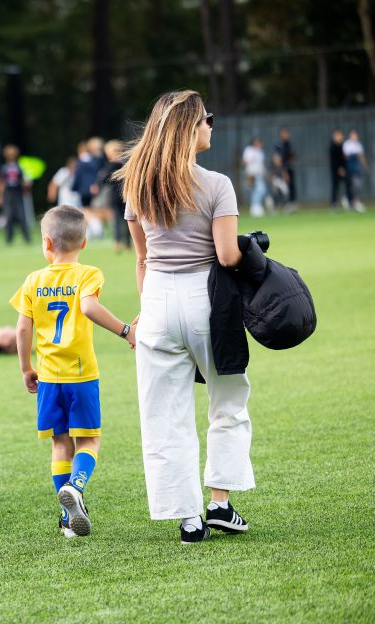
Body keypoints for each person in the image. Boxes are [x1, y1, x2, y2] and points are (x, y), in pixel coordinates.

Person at [116, 91, 254, 544]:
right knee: (228, 402)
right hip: (206, 300)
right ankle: (220, 504)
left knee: (164, 415)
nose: (211, 125)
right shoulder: (216, 184)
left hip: (156, 299)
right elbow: (229, 255)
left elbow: (142, 259)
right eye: (206, 119)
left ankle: (188, 517)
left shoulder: (136, 185)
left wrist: (146, 311)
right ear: (190, 128)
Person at [10, 206, 136, 538]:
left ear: (46, 243)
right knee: (90, 440)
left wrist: (26, 368)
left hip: (49, 378)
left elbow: (22, 330)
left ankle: (67, 521)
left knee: (59, 444)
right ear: (84, 243)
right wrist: (126, 331)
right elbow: (89, 307)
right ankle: (77, 488)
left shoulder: (33, 280)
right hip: (81, 375)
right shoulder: (88, 274)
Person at [93, 140, 129, 252]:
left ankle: (118, 243)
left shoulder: (111, 165)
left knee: (118, 220)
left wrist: (97, 185)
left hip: (116, 195)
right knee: (129, 219)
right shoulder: (126, 163)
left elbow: (103, 178)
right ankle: (128, 244)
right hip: (127, 194)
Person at [0, 144, 31, 244]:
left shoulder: (20, 167)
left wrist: (26, 185)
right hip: (8, 193)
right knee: (8, 217)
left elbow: (23, 181)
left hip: (18, 193)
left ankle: (26, 237)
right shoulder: (3, 168)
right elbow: (0, 182)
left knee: (22, 216)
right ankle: (9, 238)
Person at [343, 129, 367, 212]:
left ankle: (353, 201)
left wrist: (364, 165)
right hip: (350, 168)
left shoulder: (358, 145)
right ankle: (353, 200)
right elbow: (345, 157)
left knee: (358, 185)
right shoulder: (347, 144)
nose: (354, 137)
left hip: (357, 168)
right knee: (353, 184)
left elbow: (361, 156)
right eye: (353, 135)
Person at [242, 137, 267, 217]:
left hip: (259, 174)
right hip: (251, 174)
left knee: (261, 190)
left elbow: (261, 164)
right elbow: (245, 161)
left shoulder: (260, 152)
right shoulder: (249, 150)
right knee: (257, 190)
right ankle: (255, 207)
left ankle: (255, 206)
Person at [274, 127, 297, 211]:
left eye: (286, 133)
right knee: (280, 189)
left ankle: (291, 204)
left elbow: (292, 157)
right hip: (280, 171)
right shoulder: (278, 145)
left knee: (291, 186)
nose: (285, 135)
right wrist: (283, 171)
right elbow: (277, 159)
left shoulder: (290, 145)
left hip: (289, 168)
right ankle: (276, 205)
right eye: (283, 133)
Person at [330, 130, 351, 210]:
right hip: (335, 171)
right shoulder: (332, 147)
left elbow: (345, 159)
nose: (339, 137)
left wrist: (344, 168)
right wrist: (339, 169)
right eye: (337, 135)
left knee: (348, 185)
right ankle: (333, 204)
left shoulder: (344, 146)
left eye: (340, 135)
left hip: (344, 170)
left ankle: (348, 201)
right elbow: (334, 161)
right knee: (335, 187)